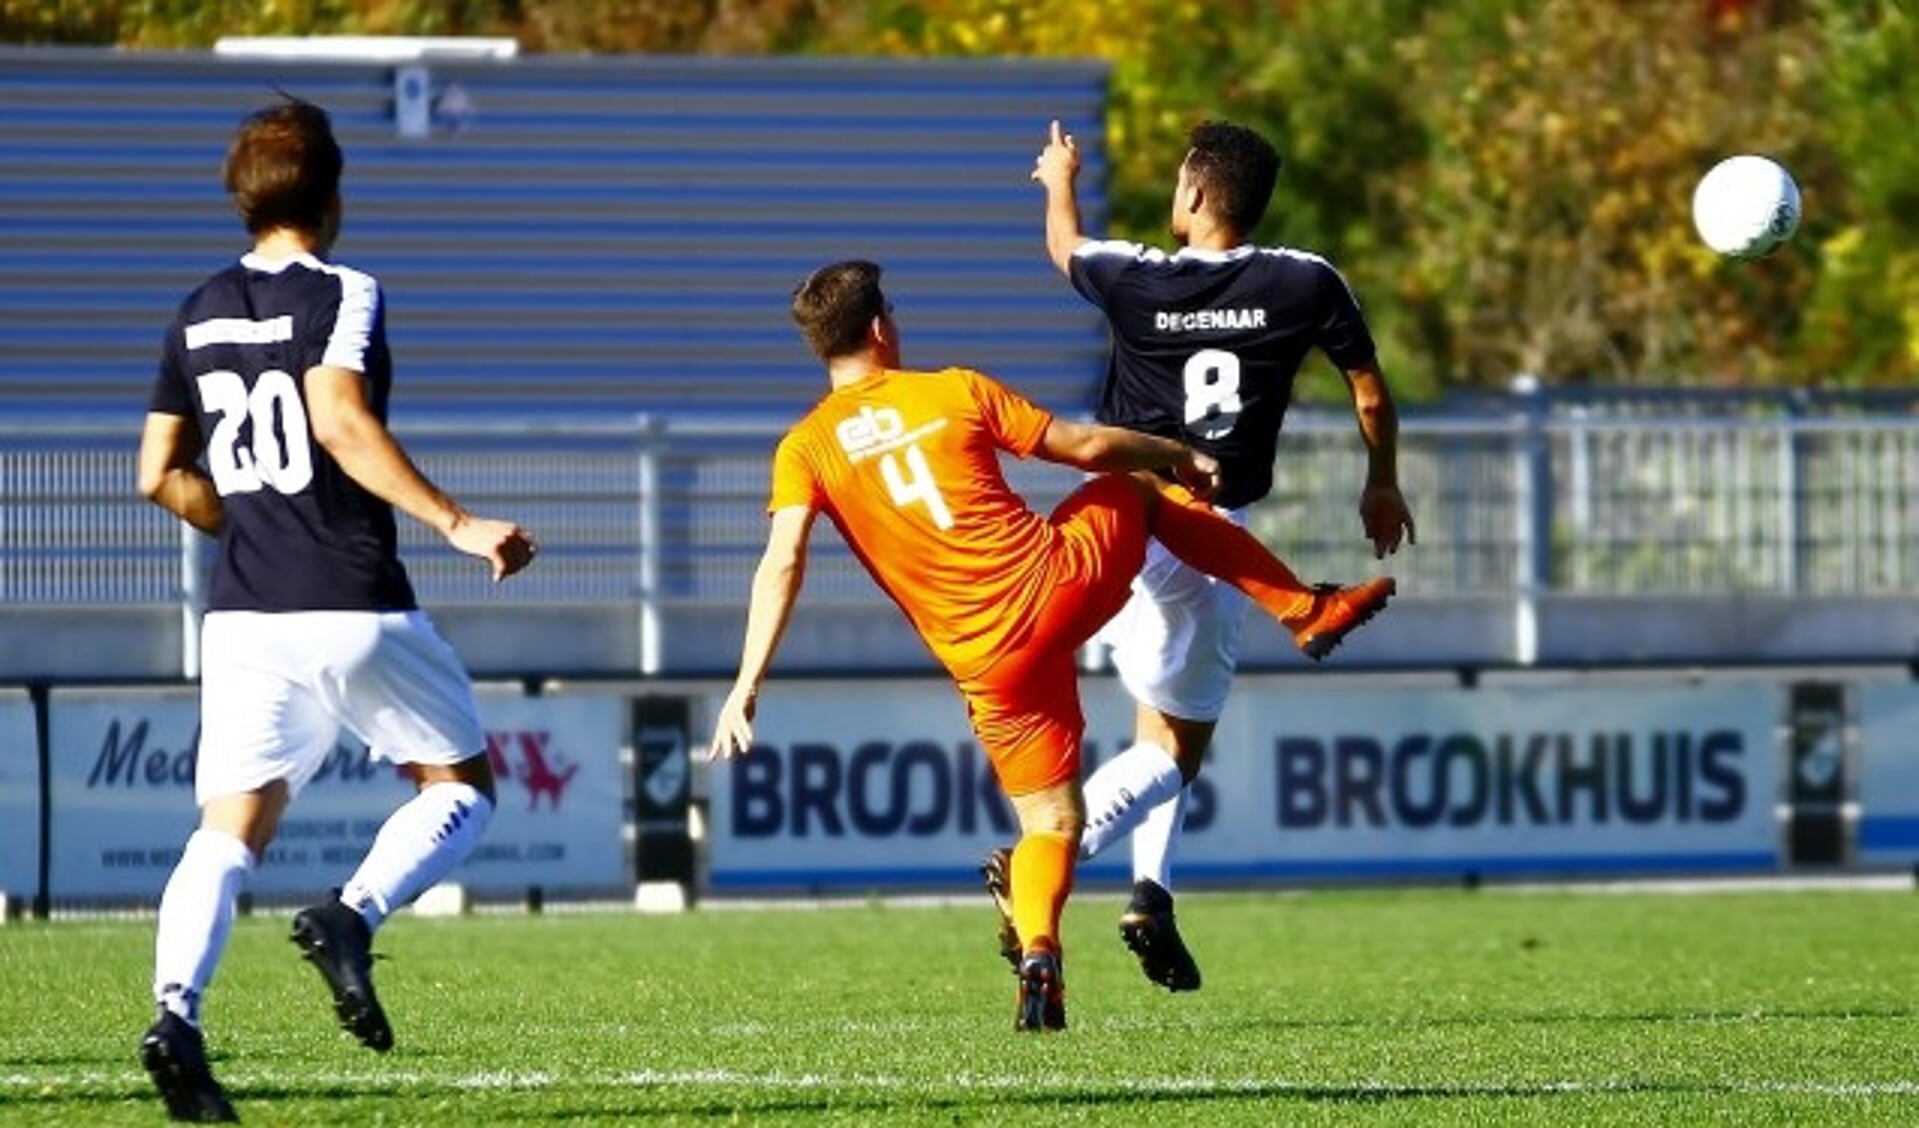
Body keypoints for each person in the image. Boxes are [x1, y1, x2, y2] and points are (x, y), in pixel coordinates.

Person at [707, 260, 1392, 1033]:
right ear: (878, 327)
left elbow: (783, 561)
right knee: (1135, 487)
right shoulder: (952, 389)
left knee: (1051, 825)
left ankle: (1041, 949)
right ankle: (1302, 609)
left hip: (987, 661)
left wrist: (746, 683)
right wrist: (1171, 454)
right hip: (1054, 583)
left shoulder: (803, 449)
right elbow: (1086, 446)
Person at [134, 98, 537, 1121]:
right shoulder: (343, 290)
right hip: (349, 597)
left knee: (228, 832)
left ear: (241, 197)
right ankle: (352, 916)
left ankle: (174, 1016)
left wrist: (250, 521)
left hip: (244, 616)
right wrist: (455, 522)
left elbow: (156, 475)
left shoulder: (196, 308)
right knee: (463, 787)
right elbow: (338, 418)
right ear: (333, 192)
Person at [1013, 118, 1418, 992]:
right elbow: (1370, 392)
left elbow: (1062, 245)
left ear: (1194, 195)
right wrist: (1380, 482)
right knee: (1174, 752)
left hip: (1123, 531)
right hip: (1207, 540)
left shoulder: (1133, 277)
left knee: (1155, 725)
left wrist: (1058, 177)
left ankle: (1151, 895)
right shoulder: (1305, 280)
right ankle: (1048, 858)